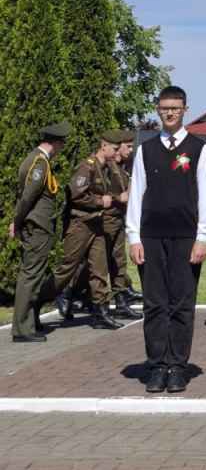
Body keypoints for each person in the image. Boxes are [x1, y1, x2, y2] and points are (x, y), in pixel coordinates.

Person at [126, 85, 206, 394]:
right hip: (151, 236)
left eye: (175, 108)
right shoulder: (146, 149)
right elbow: (136, 195)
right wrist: (134, 237)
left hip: (185, 238)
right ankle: (156, 365)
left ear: (184, 110)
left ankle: (177, 366)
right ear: (158, 109)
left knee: (181, 304)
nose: (170, 113)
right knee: (154, 304)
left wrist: (202, 237)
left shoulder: (198, 149)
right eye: (165, 108)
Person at [37, 132, 125, 331]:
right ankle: (37, 301)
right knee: (67, 269)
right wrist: (99, 201)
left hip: (97, 224)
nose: (117, 152)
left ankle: (101, 313)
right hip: (80, 225)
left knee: (99, 269)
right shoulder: (87, 166)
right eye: (114, 148)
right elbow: (76, 195)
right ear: (103, 146)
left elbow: (104, 194)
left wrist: (113, 199)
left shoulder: (105, 167)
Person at [10, 122, 71, 343]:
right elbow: (28, 197)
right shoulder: (39, 163)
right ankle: (22, 329)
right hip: (37, 226)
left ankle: (28, 323)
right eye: (62, 143)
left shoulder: (39, 160)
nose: (62, 148)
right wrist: (17, 222)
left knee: (33, 275)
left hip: (38, 226)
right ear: (55, 142)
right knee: (30, 276)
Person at [105, 130, 143, 320]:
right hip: (106, 221)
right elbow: (98, 193)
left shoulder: (122, 167)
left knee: (118, 262)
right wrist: (118, 198)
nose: (131, 150)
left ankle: (121, 301)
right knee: (94, 265)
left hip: (118, 220)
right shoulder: (106, 167)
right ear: (118, 147)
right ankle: (67, 294)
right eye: (127, 146)